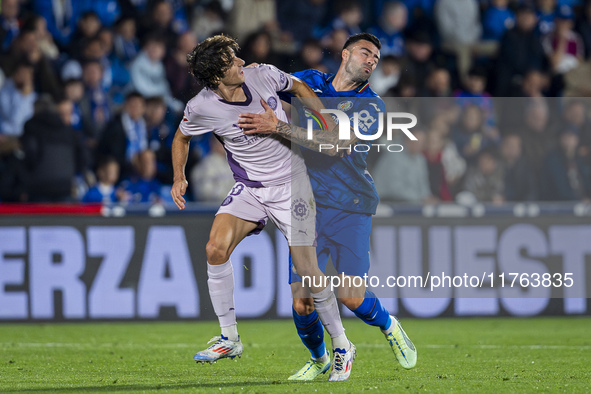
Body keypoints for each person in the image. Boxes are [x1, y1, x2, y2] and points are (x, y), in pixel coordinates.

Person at [170, 35, 356, 382]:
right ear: (216, 75)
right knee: (215, 248)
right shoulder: (202, 107)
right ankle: (229, 338)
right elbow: (181, 137)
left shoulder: (264, 74)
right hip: (251, 189)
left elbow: (300, 87)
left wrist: (327, 123)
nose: (241, 62)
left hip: (293, 184)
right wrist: (179, 177)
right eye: (231, 60)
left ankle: (343, 346)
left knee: (307, 271)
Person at [238, 32, 417, 381]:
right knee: (302, 302)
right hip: (306, 206)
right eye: (366, 53)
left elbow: (335, 145)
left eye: (376, 59)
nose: (371, 61)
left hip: (351, 204)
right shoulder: (310, 82)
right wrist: (250, 71)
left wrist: (278, 127)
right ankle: (320, 357)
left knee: (350, 297)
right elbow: (264, 83)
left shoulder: (372, 106)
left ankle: (388, 324)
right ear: (346, 53)